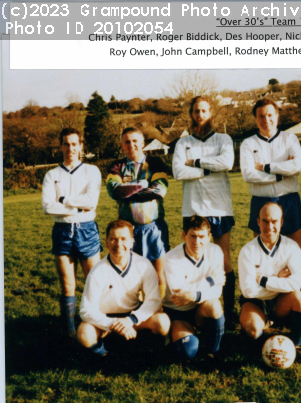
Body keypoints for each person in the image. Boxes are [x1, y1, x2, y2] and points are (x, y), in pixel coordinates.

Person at [172, 96, 237, 328]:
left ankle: (228, 313)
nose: (200, 115)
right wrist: (208, 169)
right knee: (194, 260)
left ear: (211, 113)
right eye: (196, 111)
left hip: (219, 207)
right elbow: (178, 172)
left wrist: (196, 162)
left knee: (224, 262)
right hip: (193, 209)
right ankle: (197, 309)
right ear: (191, 114)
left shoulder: (223, 139)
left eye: (204, 111)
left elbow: (227, 163)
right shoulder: (182, 143)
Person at [77, 220, 170, 357]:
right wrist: (113, 324)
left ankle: (145, 351)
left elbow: (154, 300)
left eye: (123, 239)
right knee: (84, 333)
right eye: (113, 239)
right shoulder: (98, 271)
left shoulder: (143, 265)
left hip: (132, 317)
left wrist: (131, 320)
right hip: (105, 320)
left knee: (163, 322)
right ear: (107, 242)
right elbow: (86, 310)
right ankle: (106, 356)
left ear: (132, 242)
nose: (118, 244)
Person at [42, 128, 102, 338]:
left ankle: (96, 324)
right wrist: (78, 207)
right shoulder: (52, 175)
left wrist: (64, 200)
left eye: (74, 144)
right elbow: (48, 207)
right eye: (66, 144)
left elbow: (91, 202)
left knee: (93, 281)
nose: (70, 148)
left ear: (80, 146)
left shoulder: (92, 170)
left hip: (86, 230)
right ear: (60, 147)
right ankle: (69, 331)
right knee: (67, 285)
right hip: (62, 231)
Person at [238, 202, 301, 363]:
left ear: (281, 222)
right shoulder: (247, 251)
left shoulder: (291, 247)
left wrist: (262, 280)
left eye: (274, 221)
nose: (269, 226)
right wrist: (279, 280)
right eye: (265, 221)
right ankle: (259, 340)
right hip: (255, 302)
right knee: (253, 329)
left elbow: (296, 284)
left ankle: (296, 346)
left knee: (300, 298)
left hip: (280, 302)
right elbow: (249, 291)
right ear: (258, 222)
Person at [107, 128, 170, 297]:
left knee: (159, 272)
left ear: (143, 143)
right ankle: (135, 312)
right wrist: (144, 185)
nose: (131, 145)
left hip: (154, 226)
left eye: (135, 141)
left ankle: (160, 310)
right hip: (127, 230)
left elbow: (159, 190)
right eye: (127, 142)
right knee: (132, 273)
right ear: (122, 145)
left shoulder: (156, 163)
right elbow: (113, 191)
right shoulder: (116, 166)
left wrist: (128, 192)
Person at [240, 99, 301, 248]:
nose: (266, 120)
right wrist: (281, 174)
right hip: (260, 201)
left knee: (294, 251)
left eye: (270, 115)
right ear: (255, 119)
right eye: (261, 116)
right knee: (263, 253)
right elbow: (248, 175)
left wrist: (264, 167)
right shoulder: (248, 143)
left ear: (277, 116)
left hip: (289, 200)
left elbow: (296, 167)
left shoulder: (290, 138)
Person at [162, 216, 226, 361]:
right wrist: (211, 280)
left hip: (200, 308)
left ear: (209, 237)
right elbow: (178, 294)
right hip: (178, 311)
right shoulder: (171, 258)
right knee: (187, 351)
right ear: (184, 235)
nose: (197, 242)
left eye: (202, 236)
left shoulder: (215, 251)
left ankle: (213, 351)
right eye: (193, 236)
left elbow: (217, 291)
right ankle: (177, 335)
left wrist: (193, 295)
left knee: (214, 305)